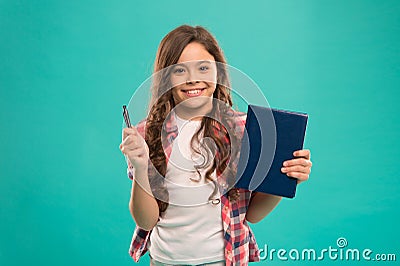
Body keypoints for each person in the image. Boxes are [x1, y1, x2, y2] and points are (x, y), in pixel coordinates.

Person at [119, 25, 312, 266]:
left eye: (203, 68)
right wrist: (140, 168)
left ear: (218, 73)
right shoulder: (145, 133)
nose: (193, 79)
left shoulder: (244, 130)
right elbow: (146, 221)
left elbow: (254, 215)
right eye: (180, 70)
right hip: (164, 261)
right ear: (166, 78)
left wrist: (285, 178)